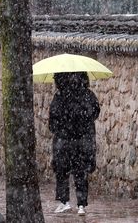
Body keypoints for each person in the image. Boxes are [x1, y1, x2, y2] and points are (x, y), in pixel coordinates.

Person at [49, 72, 100, 216]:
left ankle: (64, 202)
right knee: (81, 172)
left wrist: (62, 126)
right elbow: (95, 112)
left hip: (63, 141)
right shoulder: (88, 95)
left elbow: (52, 121)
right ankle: (81, 204)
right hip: (83, 140)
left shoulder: (59, 96)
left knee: (62, 172)